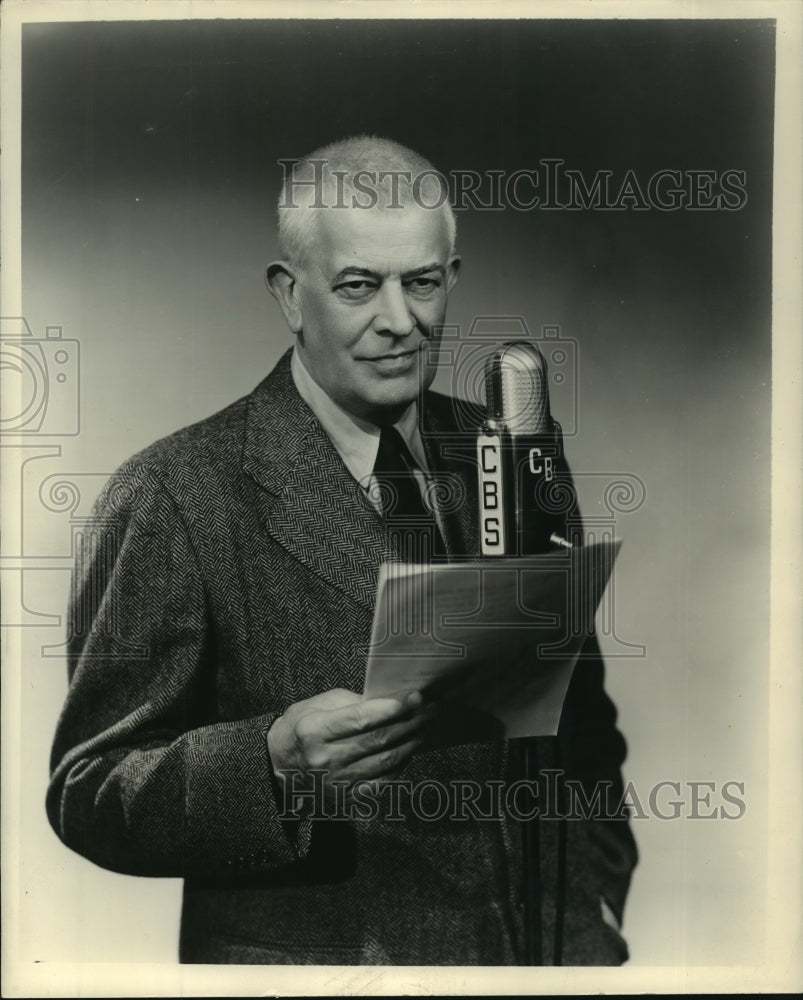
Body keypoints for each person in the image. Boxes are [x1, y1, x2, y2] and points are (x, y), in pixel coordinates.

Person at [47, 135, 636, 966]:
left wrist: (592, 911)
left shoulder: (513, 448)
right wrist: (269, 762)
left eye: (422, 282)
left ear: (451, 279)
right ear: (290, 295)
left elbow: (581, 723)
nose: (398, 321)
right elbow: (88, 791)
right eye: (359, 286)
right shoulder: (172, 492)